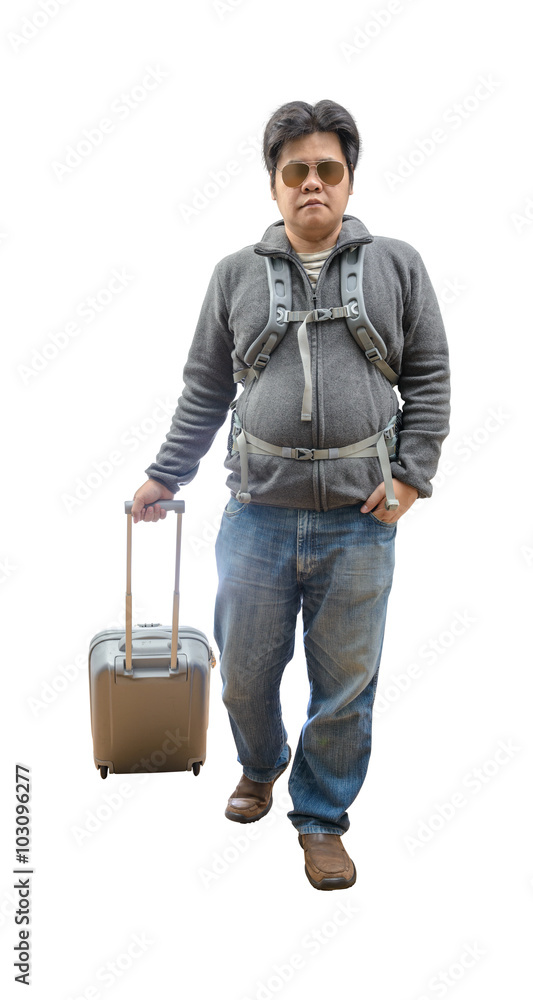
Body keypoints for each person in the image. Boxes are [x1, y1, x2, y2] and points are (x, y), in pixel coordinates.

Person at [131, 99, 451, 891]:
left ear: (349, 181)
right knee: (242, 674)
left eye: (327, 170)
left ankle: (321, 819)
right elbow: (205, 389)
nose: (313, 183)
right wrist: (166, 474)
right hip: (255, 517)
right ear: (273, 185)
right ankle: (260, 762)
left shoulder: (398, 264)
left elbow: (429, 377)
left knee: (344, 686)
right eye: (296, 171)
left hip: (358, 522)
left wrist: (410, 476)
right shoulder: (233, 274)